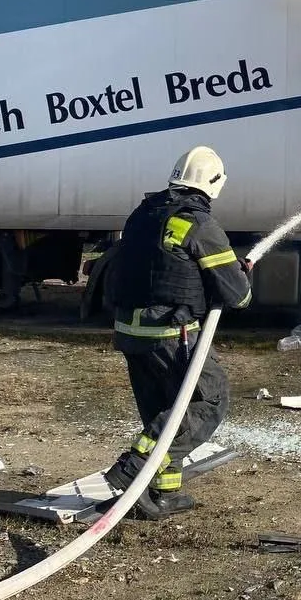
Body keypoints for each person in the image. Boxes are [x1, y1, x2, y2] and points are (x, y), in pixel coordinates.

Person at [104, 145, 252, 520]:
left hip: (129, 330)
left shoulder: (144, 214)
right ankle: (134, 467)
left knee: (163, 410)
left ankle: (163, 493)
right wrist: (241, 274)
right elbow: (238, 296)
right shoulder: (198, 223)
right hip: (169, 332)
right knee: (207, 401)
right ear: (215, 183)